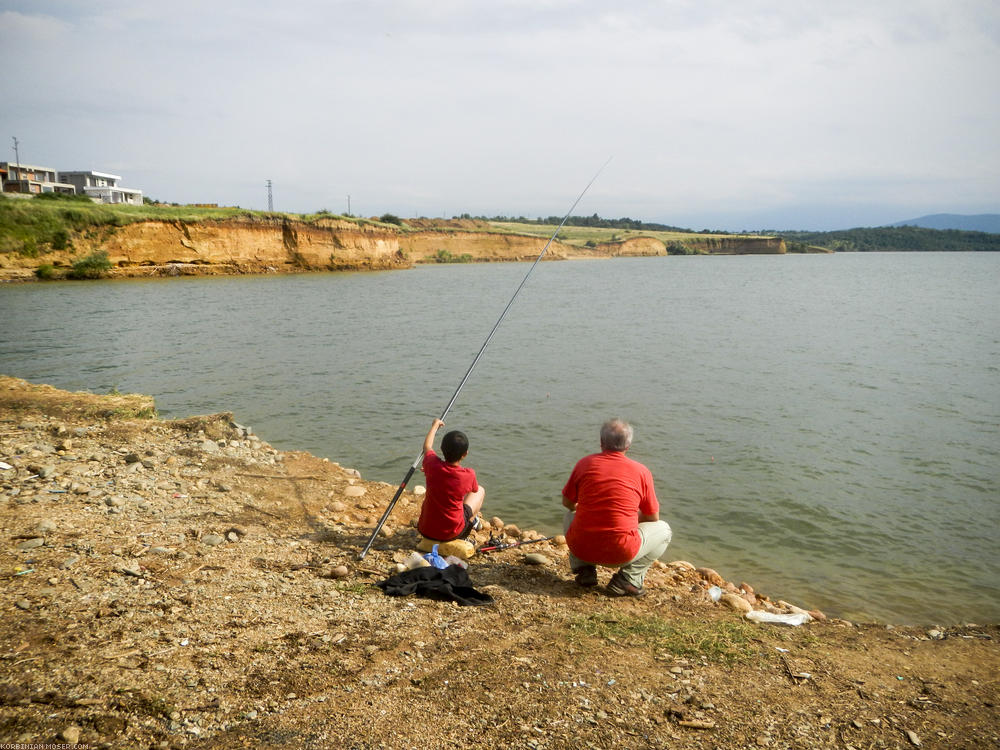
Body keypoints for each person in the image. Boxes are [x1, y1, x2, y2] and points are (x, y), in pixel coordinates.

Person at [562, 418, 672, 596]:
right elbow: (653, 517)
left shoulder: (584, 464)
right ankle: (627, 580)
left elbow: (567, 503)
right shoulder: (641, 472)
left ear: (601, 443)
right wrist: (627, 519)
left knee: (570, 514)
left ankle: (584, 570)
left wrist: (588, 509)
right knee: (664, 530)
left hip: (581, 547)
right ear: (628, 445)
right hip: (620, 553)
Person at [417, 418, 485, 543]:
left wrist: (435, 426)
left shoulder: (431, 464)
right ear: (465, 454)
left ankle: (469, 522)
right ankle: (472, 522)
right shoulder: (468, 474)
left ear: (442, 448)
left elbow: (427, 446)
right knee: (480, 490)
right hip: (452, 534)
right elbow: (474, 489)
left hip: (425, 530)